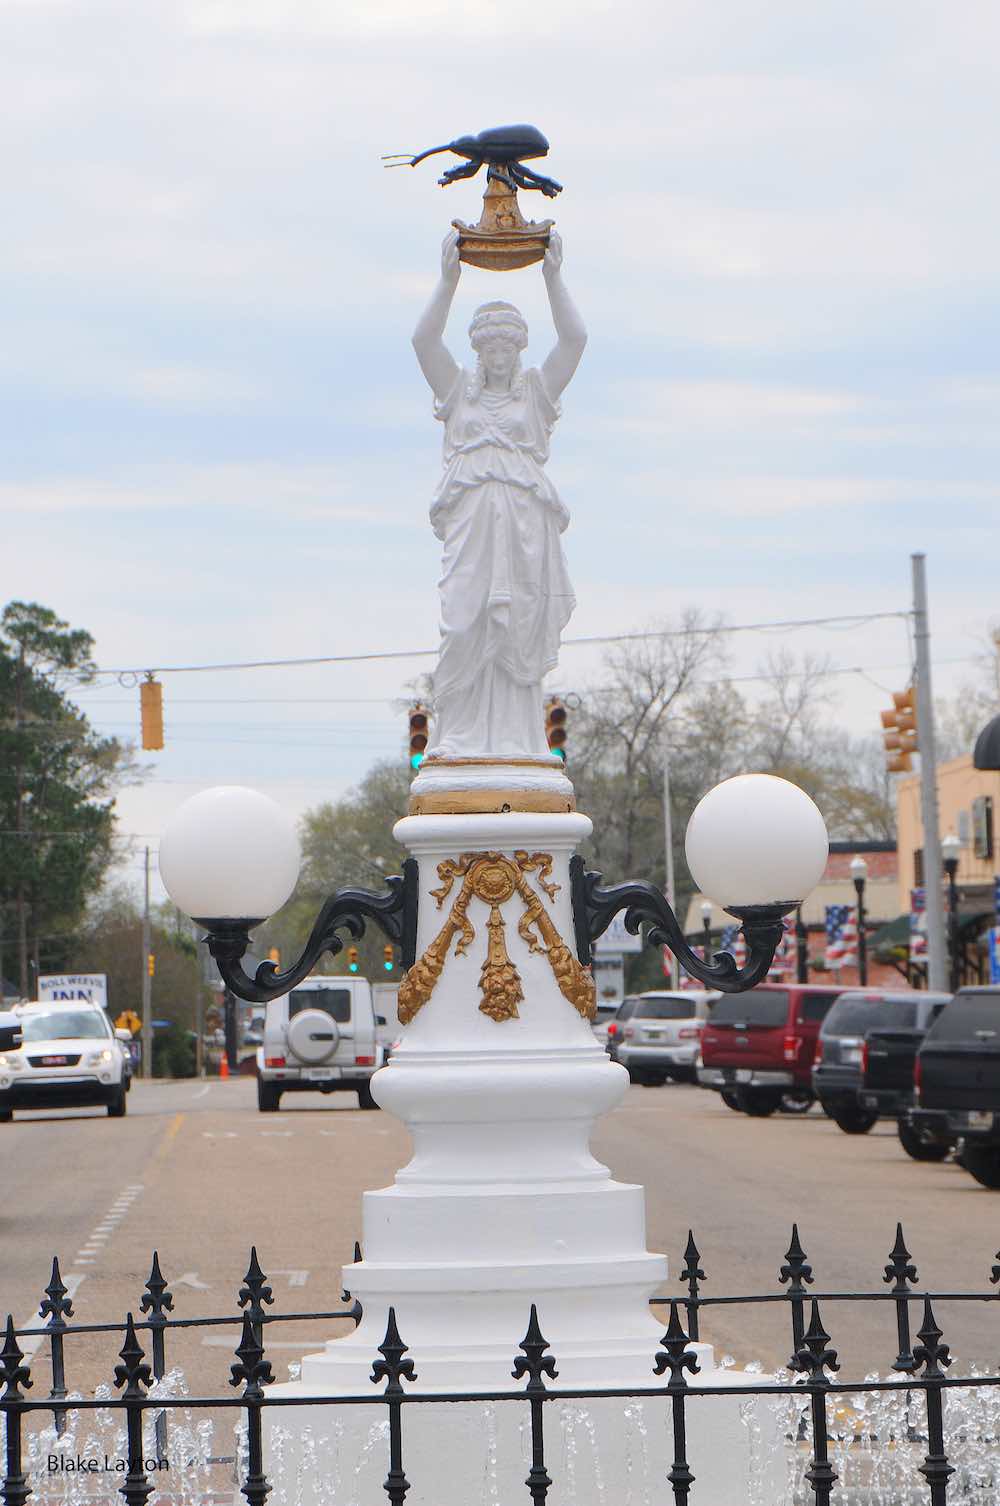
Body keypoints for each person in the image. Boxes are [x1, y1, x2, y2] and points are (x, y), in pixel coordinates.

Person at [412, 229, 587, 758]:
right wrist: (447, 282)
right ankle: (459, 736)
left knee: (517, 628)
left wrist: (553, 280)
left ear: (519, 350)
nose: (499, 358)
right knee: (466, 618)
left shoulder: (535, 393)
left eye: (508, 348)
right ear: (478, 352)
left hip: (524, 526)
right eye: (489, 348)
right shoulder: (458, 392)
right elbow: (423, 342)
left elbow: (575, 341)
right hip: (470, 525)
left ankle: (518, 739)